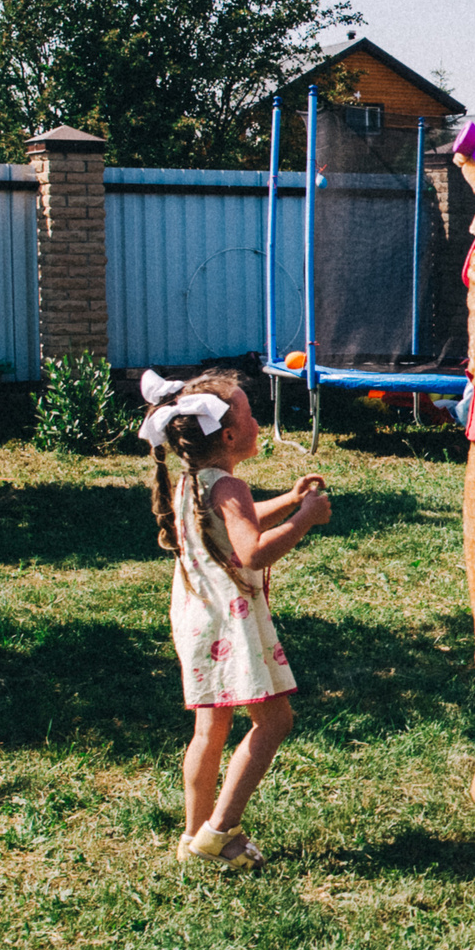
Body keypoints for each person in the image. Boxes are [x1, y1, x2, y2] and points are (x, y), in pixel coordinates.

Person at [141, 368, 333, 869]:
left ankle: (191, 834)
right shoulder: (228, 485)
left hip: (199, 620)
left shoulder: (190, 483)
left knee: (211, 731)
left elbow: (235, 524)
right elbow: (251, 551)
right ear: (229, 435)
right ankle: (220, 831)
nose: (254, 422)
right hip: (233, 624)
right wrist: (304, 518)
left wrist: (288, 500)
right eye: (248, 415)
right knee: (274, 722)